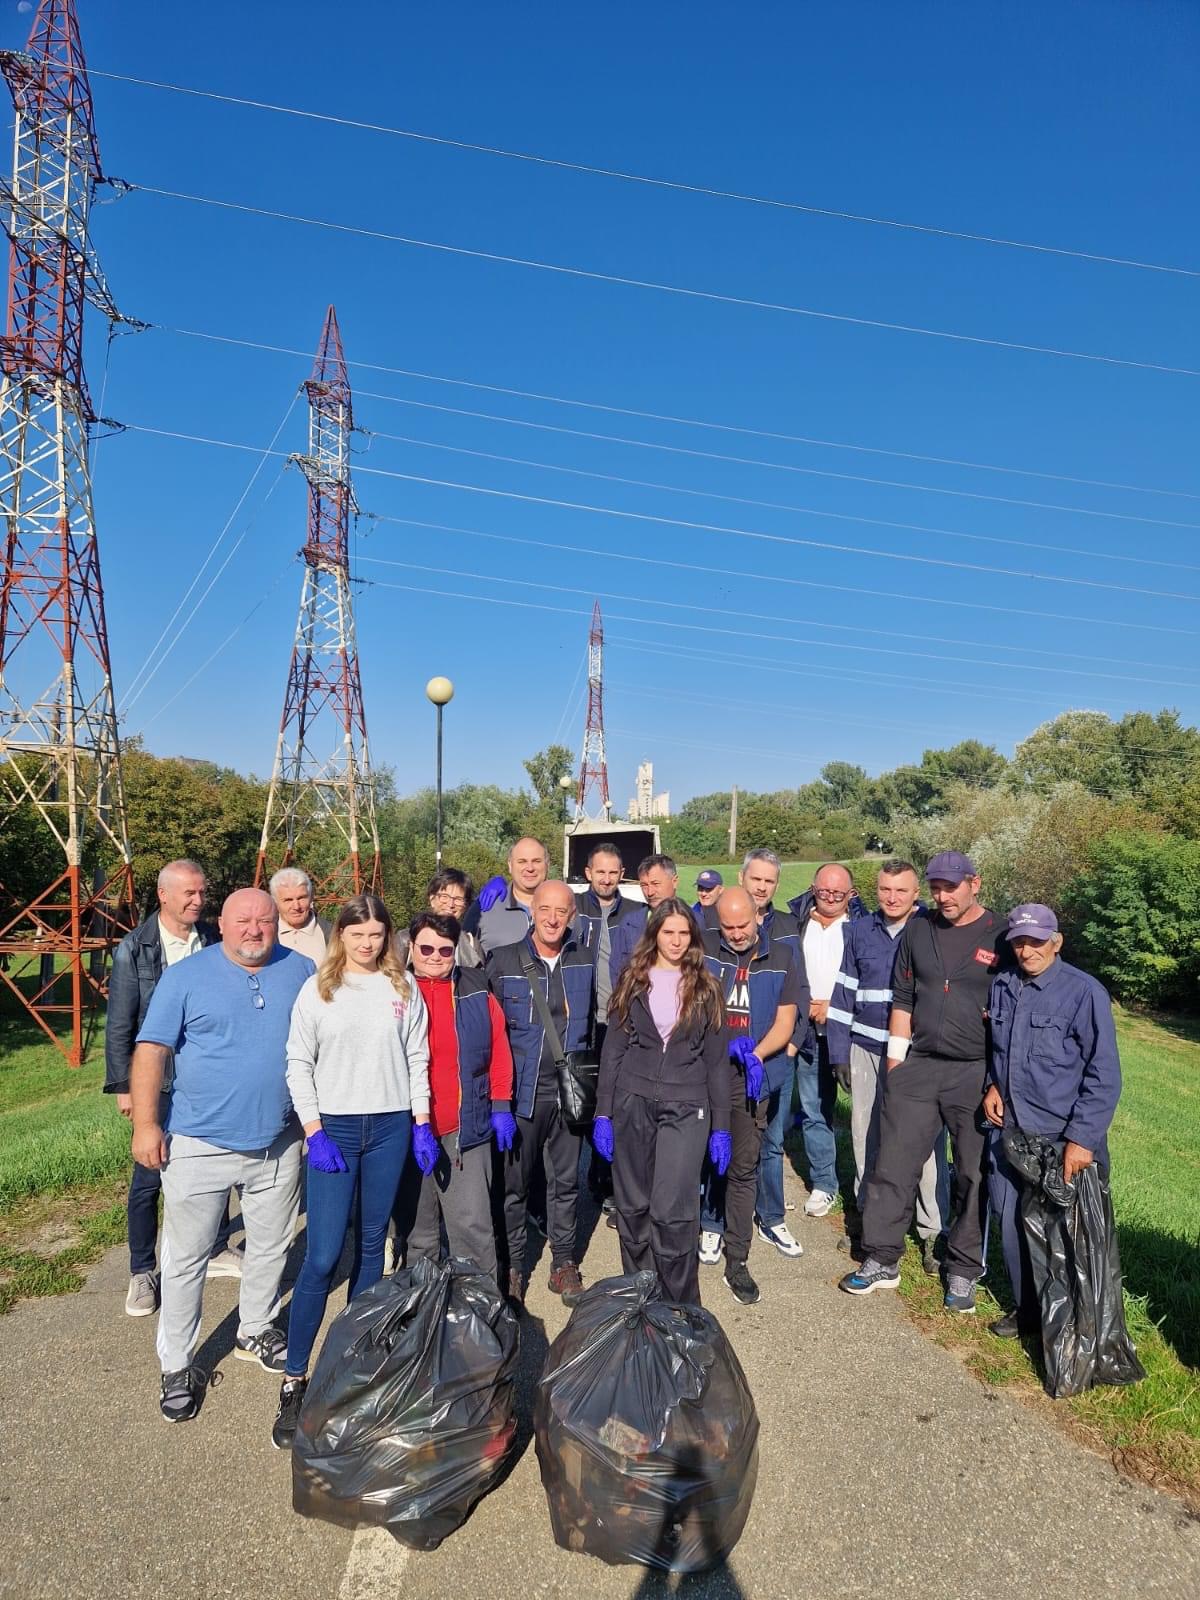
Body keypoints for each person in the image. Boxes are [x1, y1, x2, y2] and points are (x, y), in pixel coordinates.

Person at [129, 889, 316, 1423]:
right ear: (223, 923)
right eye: (243, 920)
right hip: (197, 1144)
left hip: (278, 1142)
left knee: (271, 1247)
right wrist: (146, 1124)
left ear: (278, 922)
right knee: (185, 1260)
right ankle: (177, 1365)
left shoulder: (300, 968)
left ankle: (254, 1330)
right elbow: (151, 1051)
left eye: (265, 919)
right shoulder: (187, 977)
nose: (254, 929)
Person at [270, 894, 431, 1449]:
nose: (368, 943)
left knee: (370, 1247)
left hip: (389, 1126)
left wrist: (422, 1120)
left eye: (377, 934)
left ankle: (353, 1370)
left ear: (388, 937)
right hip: (334, 1129)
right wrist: (313, 1131)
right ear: (342, 935)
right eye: (357, 934)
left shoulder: (402, 989)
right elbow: (298, 1062)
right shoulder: (319, 989)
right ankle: (295, 1378)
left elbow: (416, 1058)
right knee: (320, 1255)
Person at [841, 852, 1009, 1313]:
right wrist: (896, 1063)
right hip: (919, 1064)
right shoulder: (919, 929)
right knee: (892, 1162)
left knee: (972, 1173)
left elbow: (1013, 1010)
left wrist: (1000, 1081)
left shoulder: (1001, 935)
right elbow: (904, 995)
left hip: (974, 1071)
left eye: (951, 886)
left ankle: (962, 1268)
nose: (942, 895)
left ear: (975, 883)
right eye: (936, 886)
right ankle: (881, 1258)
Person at [104, 860, 237, 1318]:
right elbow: (121, 1023)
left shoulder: (215, 942)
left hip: (206, 1076)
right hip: (156, 1079)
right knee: (149, 1175)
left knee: (215, 1160)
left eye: (202, 893)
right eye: (189, 894)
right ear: (164, 895)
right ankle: (143, 1270)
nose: (198, 901)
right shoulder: (135, 948)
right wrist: (125, 1088)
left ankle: (217, 1247)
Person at [983, 904, 1122, 1339]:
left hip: (1061, 1137)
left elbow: (1105, 1075)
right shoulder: (1003, 985)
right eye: (1019, 941)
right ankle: (1028, 1312)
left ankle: (1071, 1327)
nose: (1027, 951)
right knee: (1011, 1221)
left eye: (1036, 941)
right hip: (1010, 1131)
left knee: (1064, 1236)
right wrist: (992, 1084)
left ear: (1056, 941)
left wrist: (1082, 1140)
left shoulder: (1084, 992)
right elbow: (998, 1050)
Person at [594, 898, 730, 1306]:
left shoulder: (707, 987)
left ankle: (680, 1306)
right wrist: (603, 1111)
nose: (674, 940)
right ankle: (640, 1298)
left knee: (672, 1212)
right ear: (654, 935)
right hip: (632, 1103)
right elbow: (613, 1049)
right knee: (633, 1209)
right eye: (667, 932)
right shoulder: (633, 980)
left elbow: (717, 1062)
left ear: (693, 937)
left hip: (686, 1108)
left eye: (682, 933)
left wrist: (721, 1125)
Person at [827, 860, 948, 1274]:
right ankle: (867, 1218)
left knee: (926, 1147)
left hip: (918, 1055)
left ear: (917, 893)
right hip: (865, 1047)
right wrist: (838, 1052)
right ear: (874, 891)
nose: (892, 898)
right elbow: (844, 993)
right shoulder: (859, 931)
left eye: (901, 891)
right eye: (884, 890)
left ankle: (932, 1231)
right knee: (865, 1136)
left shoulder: (932, 931)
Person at [486, 879, 596, 1307]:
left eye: (562, 911)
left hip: (569, 1097)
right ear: (532, 911)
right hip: (521, 1097)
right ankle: (513, 1266)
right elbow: (489, 1034)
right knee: (514, 1187)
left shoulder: (583, 959)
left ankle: (563, 1263)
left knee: (565, 1184)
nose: (553, 918)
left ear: (572, 915)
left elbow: (592, 1029)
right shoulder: (503, 961)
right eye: (545, 909)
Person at [392, 910, 514, 1286]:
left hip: (464, 1126)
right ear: (411, 947)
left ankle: (479, 1307)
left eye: (445, 951)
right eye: (425, 947)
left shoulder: (476, 987)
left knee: (472, 1228)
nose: (434, 957)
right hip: (407, 1128)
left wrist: (500, 1104)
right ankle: (417, 1308)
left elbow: (499, 1047)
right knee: (419, 1232)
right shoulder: (394, 989)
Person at [698, 888, 806, 1302]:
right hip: (704, 1072)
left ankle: (737, 1258)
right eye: (728, 926)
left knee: (743, 1167)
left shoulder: (780, 958)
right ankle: (702, 1229)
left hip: (750, 1077)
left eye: (743, 924)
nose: (737, 933)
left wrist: (758, 1055)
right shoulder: (703, 949)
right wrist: (717, 1043)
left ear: (758, 918)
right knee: (697, 1160)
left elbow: (785, 1020)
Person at [786, 863, 867, 1218]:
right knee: (814, 1109)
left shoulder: (863, 927)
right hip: (807, 1030)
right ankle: (824, 1184)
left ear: (851, 893)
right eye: (824, 892)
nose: (831, 898)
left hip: (850, 1032)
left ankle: (869, 1194)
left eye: (839, 893)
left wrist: (834, 1006)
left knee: (864, 1114)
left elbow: (873, 977)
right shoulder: (796, 921)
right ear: (812, 888)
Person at [469, 837, 550, 956]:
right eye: (522, 861)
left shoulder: (566, 907)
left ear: (547, 864)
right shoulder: (484, 907)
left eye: (537, 861)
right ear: (510, 865)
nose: (530, 868)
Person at [395, 868, 484, 968]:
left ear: (466, 906)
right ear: (432, 899)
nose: (450, 904)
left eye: (458, 899)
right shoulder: (405, 940)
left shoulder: (472, 945)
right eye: (444, 896)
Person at [270, 867, 330, 963]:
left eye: (301, 898)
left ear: (311, 897)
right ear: (275, 902)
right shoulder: (265, 934)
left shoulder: (332, 934)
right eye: (288, 900)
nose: (296, 906)